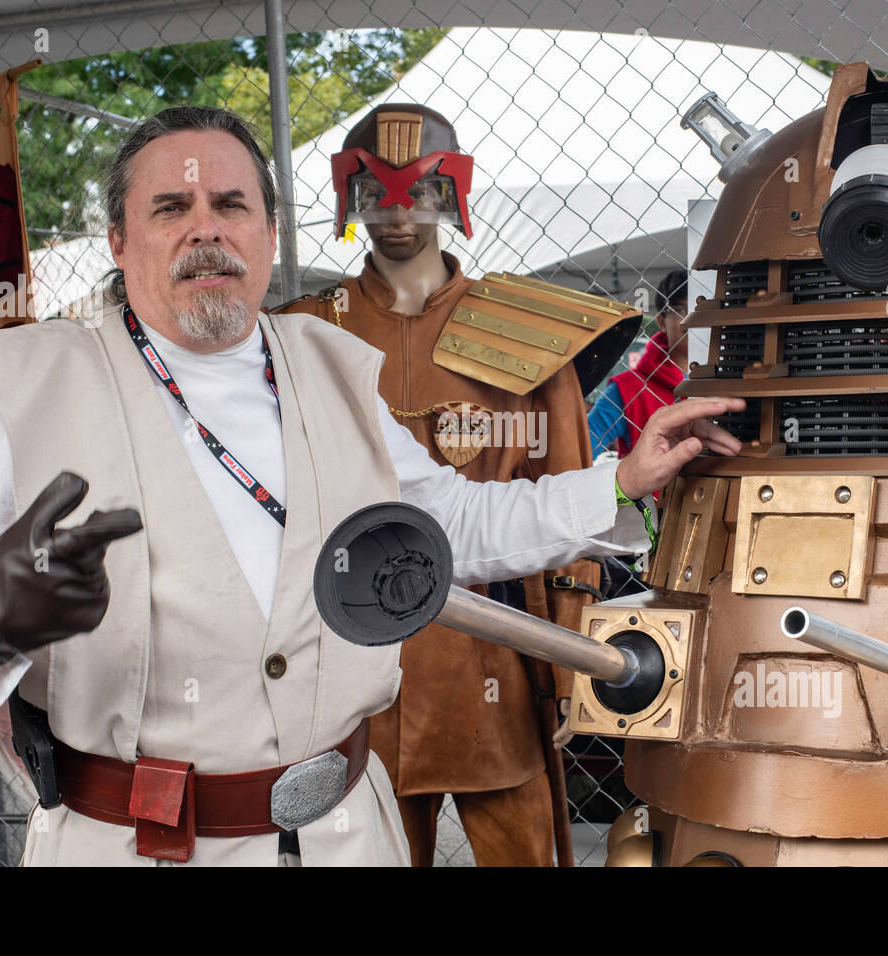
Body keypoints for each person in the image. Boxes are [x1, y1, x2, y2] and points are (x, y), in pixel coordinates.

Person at [0, 106, 745, 866]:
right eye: (170, 208)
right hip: (138, 843)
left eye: (231, 206)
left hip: (344, 834)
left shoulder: (332, 368)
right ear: (119, 240)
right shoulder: (35, 385)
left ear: (267, 233)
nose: (204, 231)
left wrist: (622, 482)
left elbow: (446, 521)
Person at [273, 103, 636, 866]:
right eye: (375, 192)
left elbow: (562, 487)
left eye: (421, 191)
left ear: (452, 192)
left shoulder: (527, 330)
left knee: (522, 850)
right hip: (352, 654)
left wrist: (574, 652)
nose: (398, 212)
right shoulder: (307, 330)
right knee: (364, 846)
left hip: (494, 646)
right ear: (348, 197)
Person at [588, 269, 690, 458]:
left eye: (703, 309)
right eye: (682, 310)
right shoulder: (628, 388)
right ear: (661, 322)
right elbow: (581, 448)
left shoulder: (737, 380)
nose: (694, 319)